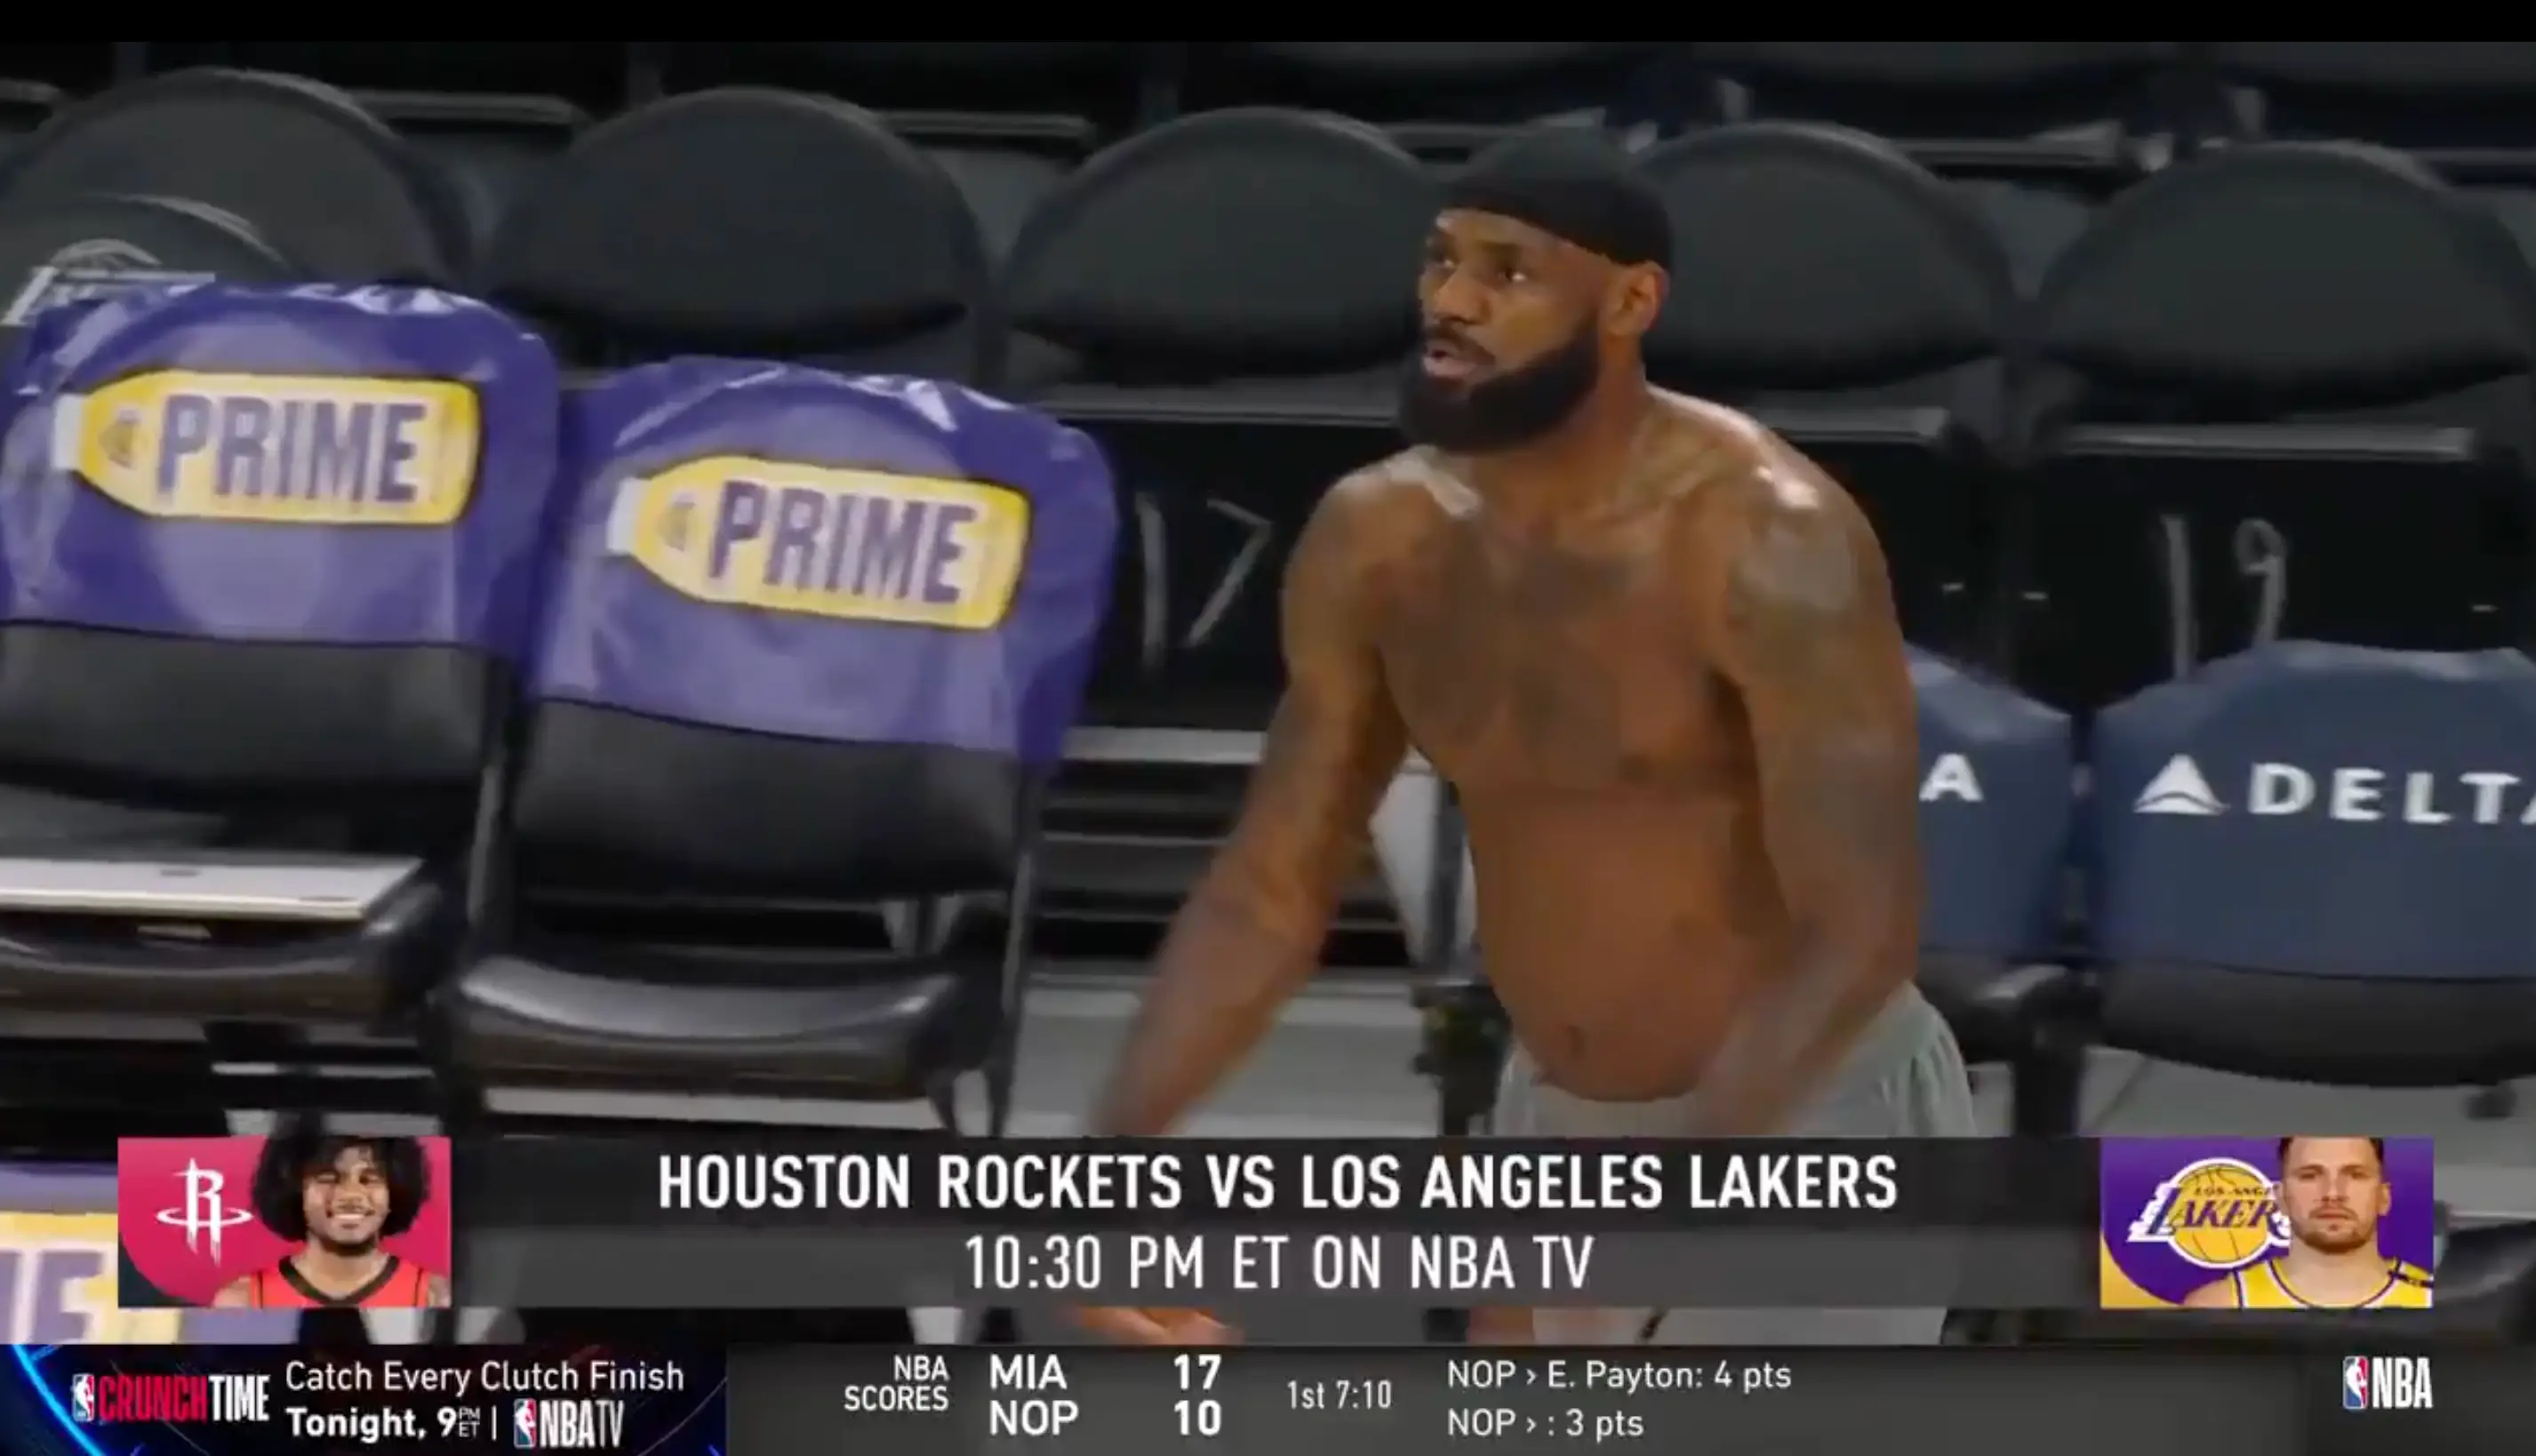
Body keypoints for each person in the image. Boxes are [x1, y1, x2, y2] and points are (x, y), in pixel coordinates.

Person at [1079, 131, 1974, 1347]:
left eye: (1507, 271)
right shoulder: (1377, 538)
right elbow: (1270, 888)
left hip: (1799, 1117)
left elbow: (1857, 933)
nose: (1451, 301)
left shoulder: (1771, 536)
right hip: (1553, 1116)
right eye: (1440, 260)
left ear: (1630, 302)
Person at [2182, 1137, 2433, 1309]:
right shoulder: (2218, 1307)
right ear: (2281, 1198)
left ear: (2384, 1198)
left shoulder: (2434, 1301)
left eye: (2355, 1175)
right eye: (2310, 1176)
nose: (2332, 1193)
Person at [212, 1131, 450, 1309]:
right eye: (328, 1178)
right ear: (295, 1190)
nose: (351, 1195)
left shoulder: (435, 1297)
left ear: (394, 1190)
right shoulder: (242, 1302)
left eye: (368, 1179)